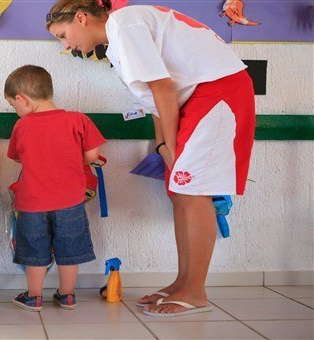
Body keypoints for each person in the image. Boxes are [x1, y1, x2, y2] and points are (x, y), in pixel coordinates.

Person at [46, 0, 256, 317]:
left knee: (191, 191)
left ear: (81, 17)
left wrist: (169, 145)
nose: (66, 45)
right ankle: (183, 282)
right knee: (180, 192)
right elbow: (157, 98)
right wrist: (162, 146)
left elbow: (163, 89)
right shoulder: (117, 41)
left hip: (217, 90)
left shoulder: (122, 24)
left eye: (63, 34)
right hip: (199, 96)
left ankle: (195, 292)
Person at [5, 65, 106, 311]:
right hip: (70, 200)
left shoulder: (23, 126)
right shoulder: (77, 119)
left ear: (22, 100)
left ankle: (34, 296)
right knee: (69, 248)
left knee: (34, 250)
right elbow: (93, 154)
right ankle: (67, 295)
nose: (15, 111)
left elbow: (18, 157)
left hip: (32, 203)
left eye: (13, 106)